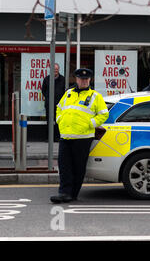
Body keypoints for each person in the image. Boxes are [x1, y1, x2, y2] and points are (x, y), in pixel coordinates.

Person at [50, 68, 109, 204]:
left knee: (78, 167)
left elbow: (104, 114)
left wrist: (90, 123)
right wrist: (59, 120)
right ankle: (64, 192)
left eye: (86, 79)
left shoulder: (95, 96)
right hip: (66, 136)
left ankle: (72, 193)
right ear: (76, 79)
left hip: (83, 137)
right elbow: (59, 108)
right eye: (81, 79)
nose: (84, 81)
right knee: (64, 166)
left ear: (90, 80)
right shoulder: (68, 93)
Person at [41, 63, 66, 141]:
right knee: (49, 121)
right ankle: (48, 138)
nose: (55, 70)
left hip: (59, 104)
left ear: (58, 69)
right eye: (54, 69)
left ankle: (57, 138)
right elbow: (43, 90)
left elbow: (65, 91)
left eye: (56, 69)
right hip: (49, 104)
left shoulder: (63, 79)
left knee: (58, 121)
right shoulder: (46, 79)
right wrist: (48, 98)